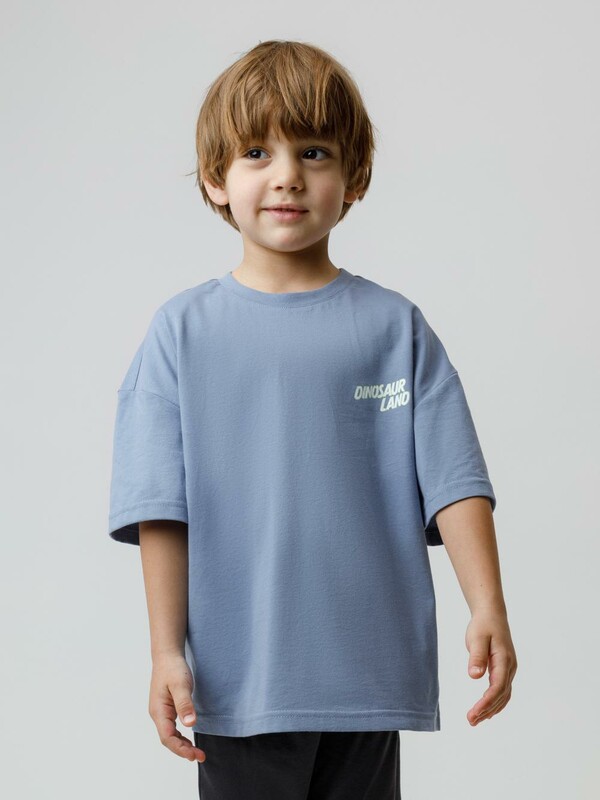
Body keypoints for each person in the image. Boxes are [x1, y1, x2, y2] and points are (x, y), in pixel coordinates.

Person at [107, 39, 517, 800]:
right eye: (256, 152)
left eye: (315, 151)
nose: (287, 174)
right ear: (216, 178)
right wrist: (166, 652)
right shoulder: (182, 334)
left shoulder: (395, 328)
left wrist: (487, 604)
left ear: (354, 177)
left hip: (368, 674)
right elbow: (160, 507)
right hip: (239, 681)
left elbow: (454, 479)